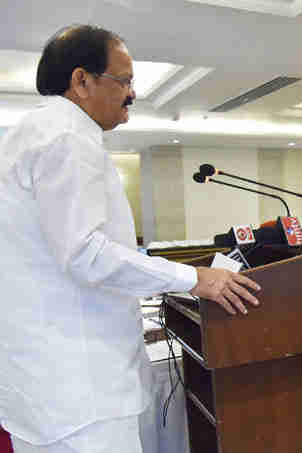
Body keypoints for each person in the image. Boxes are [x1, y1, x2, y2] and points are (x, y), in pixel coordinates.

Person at [0, 25, 261, 453]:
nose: (133, 94)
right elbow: (86, 254)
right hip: (80, 397)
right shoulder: (67, 135)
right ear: (81, 81)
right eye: (124, 81)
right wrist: (194, 279)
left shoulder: (31, 132)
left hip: (47, 389)